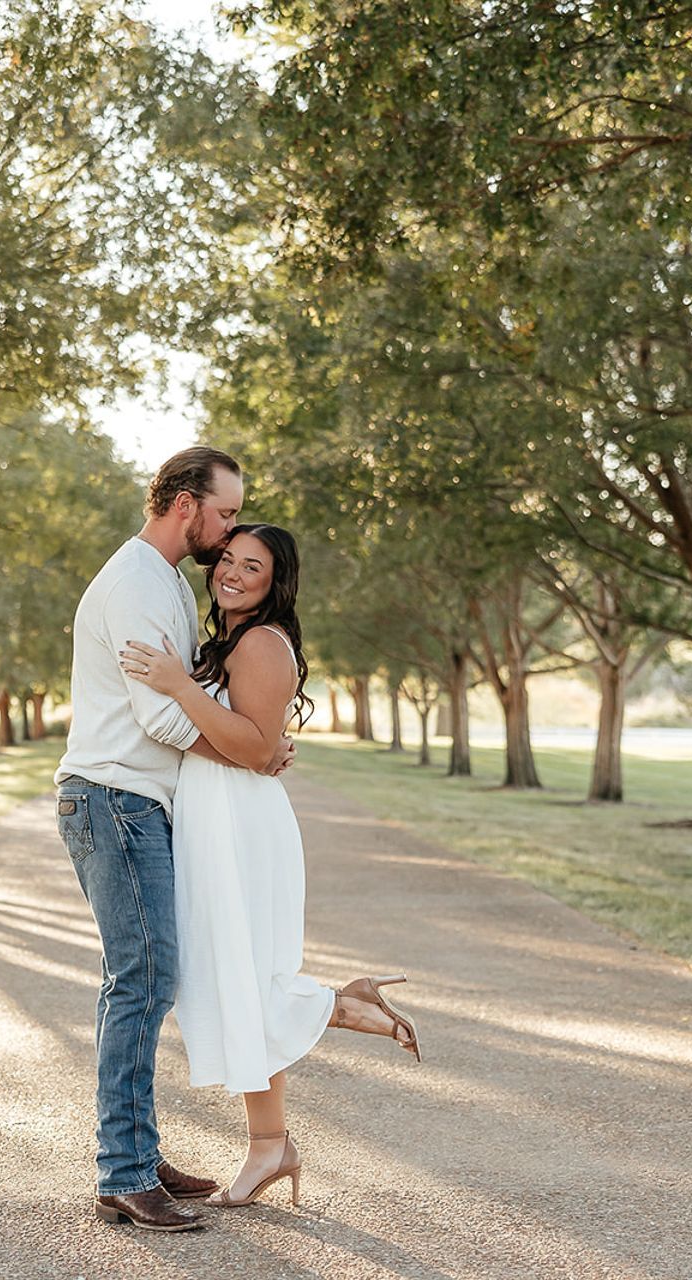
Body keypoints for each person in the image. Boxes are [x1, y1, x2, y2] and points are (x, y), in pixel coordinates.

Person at [119, 522, 420, 1210]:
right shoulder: (232, 638)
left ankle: (342, 1008)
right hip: (215, 819)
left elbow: (254, 749)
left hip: (241, 828)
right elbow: (252, 742)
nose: (231, 571)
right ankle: (270, 1145)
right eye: (227, 557)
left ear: (273, 581)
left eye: (250, 566)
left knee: (243, 979)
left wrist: (176, 683)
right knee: (232, 979)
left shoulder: (260, 641)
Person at [53, 446, 295, 1233]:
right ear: (186, 504)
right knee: (142, 981)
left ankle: (138, 1154)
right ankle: (122, 1173)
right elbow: (161, 716)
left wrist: (253, 741)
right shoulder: (136, 583)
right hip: (113, 797)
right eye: (225, 513)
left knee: (150, 979)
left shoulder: (159, 583)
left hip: (132, 802)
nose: (227, 535)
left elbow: (182, 700)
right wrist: (255, 751)